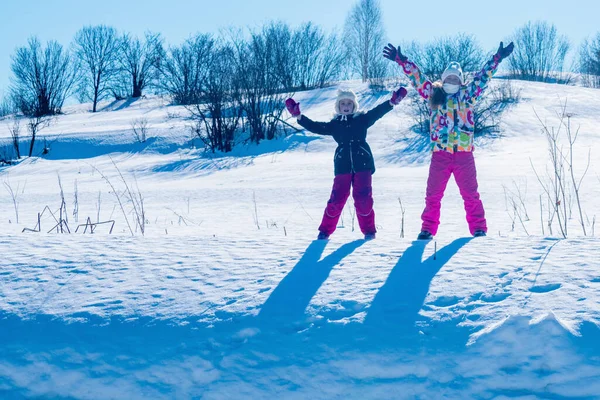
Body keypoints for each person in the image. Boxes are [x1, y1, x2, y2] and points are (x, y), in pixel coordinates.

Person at [383, 41, 514, 239]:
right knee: (433, 195)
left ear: (461, 81)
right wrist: (402, 61)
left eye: (455, 78)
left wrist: (497, 59)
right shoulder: (433, 94)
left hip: (463, 154)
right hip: (440, 155)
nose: (451, 80)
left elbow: (482, 78)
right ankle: (427, 229)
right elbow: (417, 79)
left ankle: (479, 228)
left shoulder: (468, 96)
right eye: (448, 78)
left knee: (471, 195)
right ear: (443, 80)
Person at [285, 87, 407, 240]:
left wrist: (391, 102)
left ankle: (369, 232)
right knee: (337, 198)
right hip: (342, 165)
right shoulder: (334, 125)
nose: (346, 106)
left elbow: (377, 112)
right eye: (343, 103)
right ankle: (325, 231)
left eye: (349, 103)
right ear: (338, 106)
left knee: (363, 198)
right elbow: (316, 127)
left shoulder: (362, 120)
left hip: (363, 164)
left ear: (354, 105)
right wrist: (299, 116)